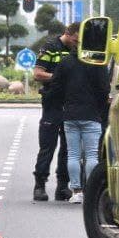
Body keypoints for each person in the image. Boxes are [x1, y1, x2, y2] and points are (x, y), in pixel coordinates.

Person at [57, 31, 110, 204]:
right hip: (92, 114)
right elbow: (104, 89)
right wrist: (100, 107)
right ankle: (90, 191)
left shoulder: (65, 62)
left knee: (73, 154)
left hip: (70, 114)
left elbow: (57, 86)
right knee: (92, 155)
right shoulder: (97, 63)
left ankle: (76, 191)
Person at [31, 23, 75, 202]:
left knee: (68, 147)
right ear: (68, 33)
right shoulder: (50, 47)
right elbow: (37, 74)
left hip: (71, 104)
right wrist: (60, 77)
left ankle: (62, 186)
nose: (77, 44)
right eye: (75, 40)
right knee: (47, 146)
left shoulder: (77, 50)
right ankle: (40, 185)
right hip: (52, 103)